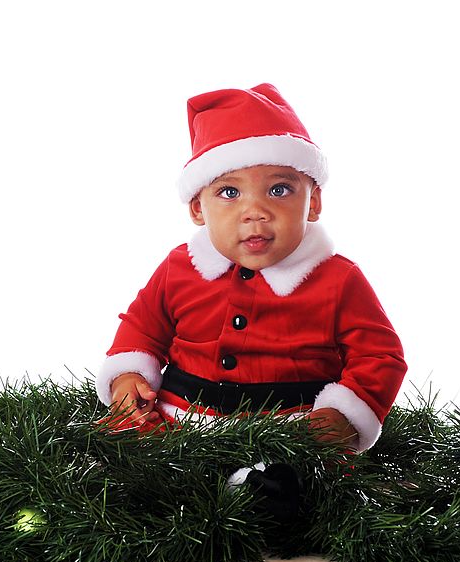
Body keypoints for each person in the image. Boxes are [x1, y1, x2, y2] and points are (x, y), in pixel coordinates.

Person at [96, 83, 406, 454]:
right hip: (178, 417)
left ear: (313, 203)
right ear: (198, 209)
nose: (255, 211)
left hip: (289, 432)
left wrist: (342, 415)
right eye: (229, 193)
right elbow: (142, 327)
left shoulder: (338, 279)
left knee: (287, 490)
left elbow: (379, 356)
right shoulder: (180, 266)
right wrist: (127, 376)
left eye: (279, 190)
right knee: (115, 458)